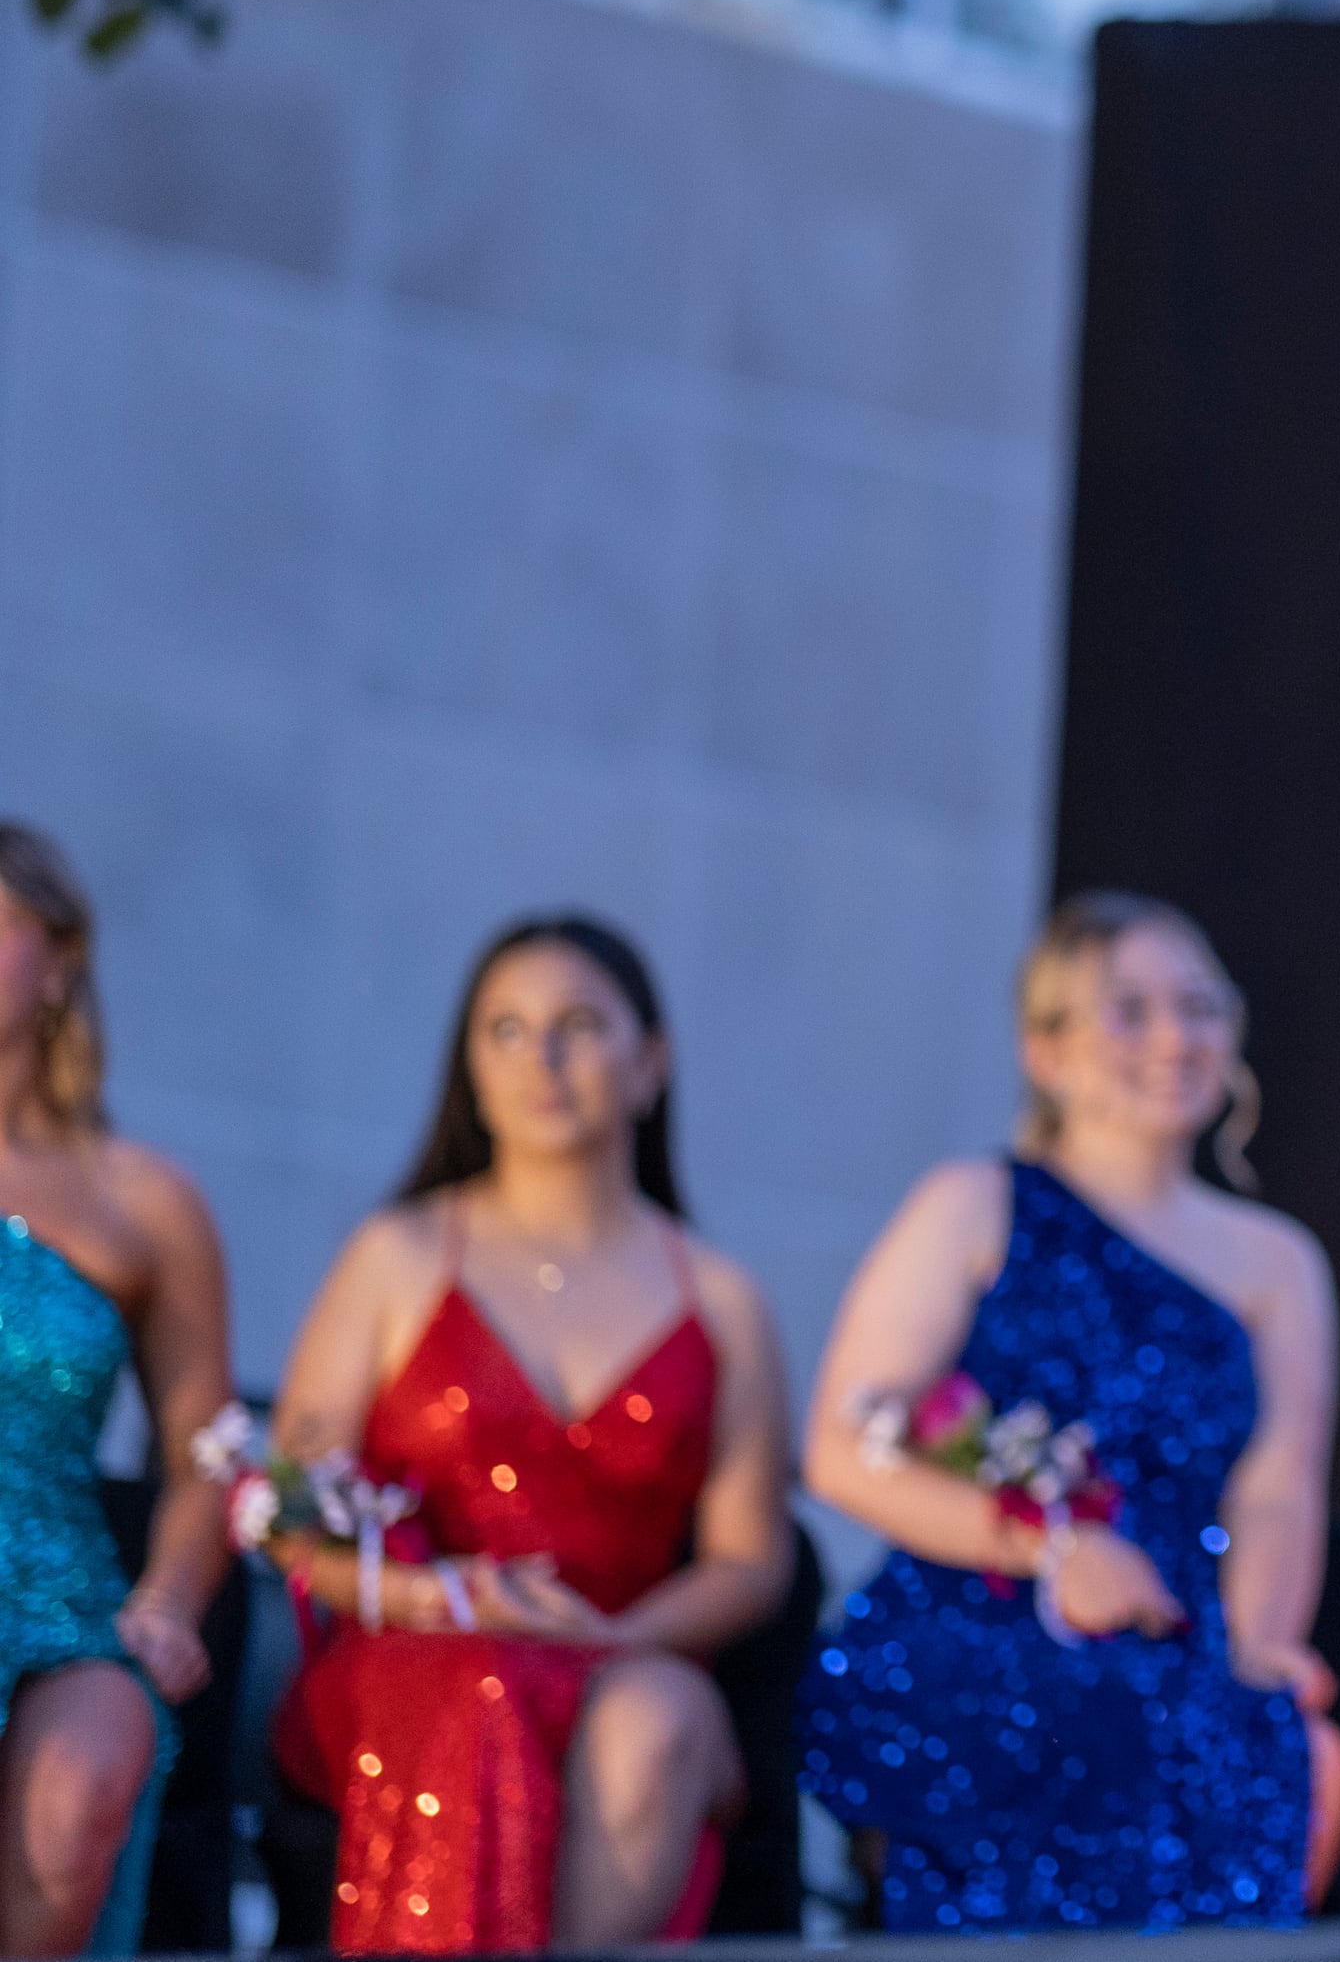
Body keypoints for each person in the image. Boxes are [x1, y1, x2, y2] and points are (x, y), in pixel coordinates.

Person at [801, 894, 1340, 1929]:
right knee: (1086, 1714)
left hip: (1181, 1620)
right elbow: (841, 1445)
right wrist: (1050, 1548)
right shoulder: (974, 1203)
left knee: (1259, 1734)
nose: (1172, 1038)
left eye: (1197, 1007)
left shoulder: (1277, 1260)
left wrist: (1257, 1641)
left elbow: (1277, 1487)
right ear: (1045, 1048)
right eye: (1128, 1010)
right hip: (974, 1609)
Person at [263, 916, 796, 1953]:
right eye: (505, 1028)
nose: (539, 1057)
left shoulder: (723, 1298)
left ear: (650, 1062)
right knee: (484, 1688)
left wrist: (615, 1635)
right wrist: (441, 1594)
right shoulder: (398, 1252)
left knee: (666, 1719)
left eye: (577, 1024)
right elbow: (291, 1503)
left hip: (616, 1649)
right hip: (415, 1646)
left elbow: (752, 1557)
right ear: (471, 1063)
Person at [0, 827, 228, 1960]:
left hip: (59, 1595)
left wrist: (172, 1597)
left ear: (60, 953)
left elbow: (206, 1450)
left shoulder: (143, 1199)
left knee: (77, 1789)